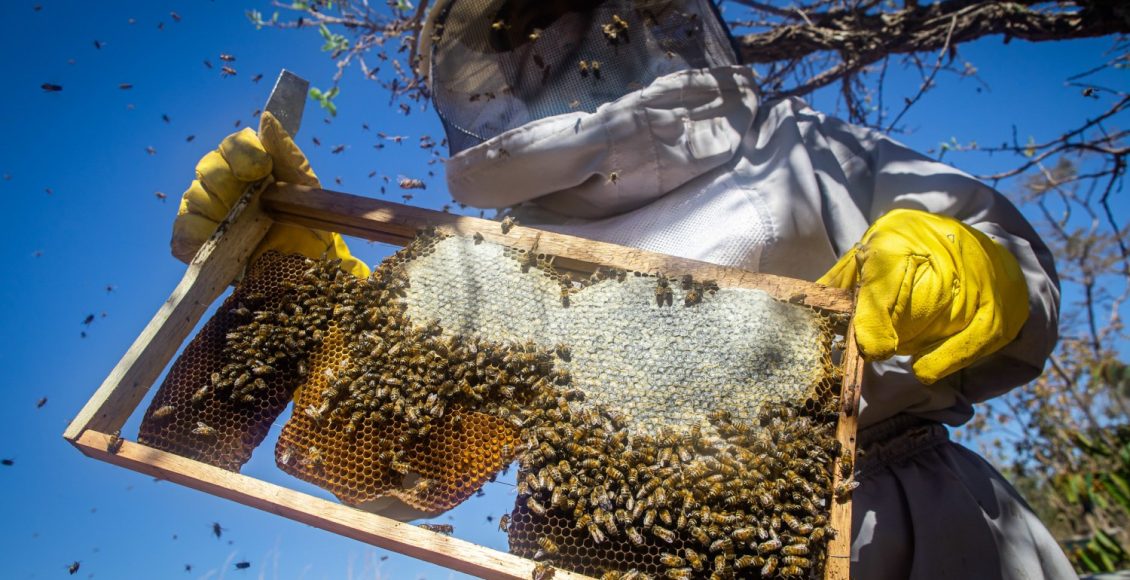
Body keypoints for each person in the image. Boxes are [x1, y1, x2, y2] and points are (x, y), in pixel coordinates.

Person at [171, 0, 1077, 577]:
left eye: (567, 17)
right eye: (517, 35)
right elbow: (400, 465)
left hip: (903, 526)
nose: (549, 50)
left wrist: (971, 263)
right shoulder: (499, 259)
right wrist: (308, 286)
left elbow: (1013, 273)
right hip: (643, 556)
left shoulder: (795, 146)